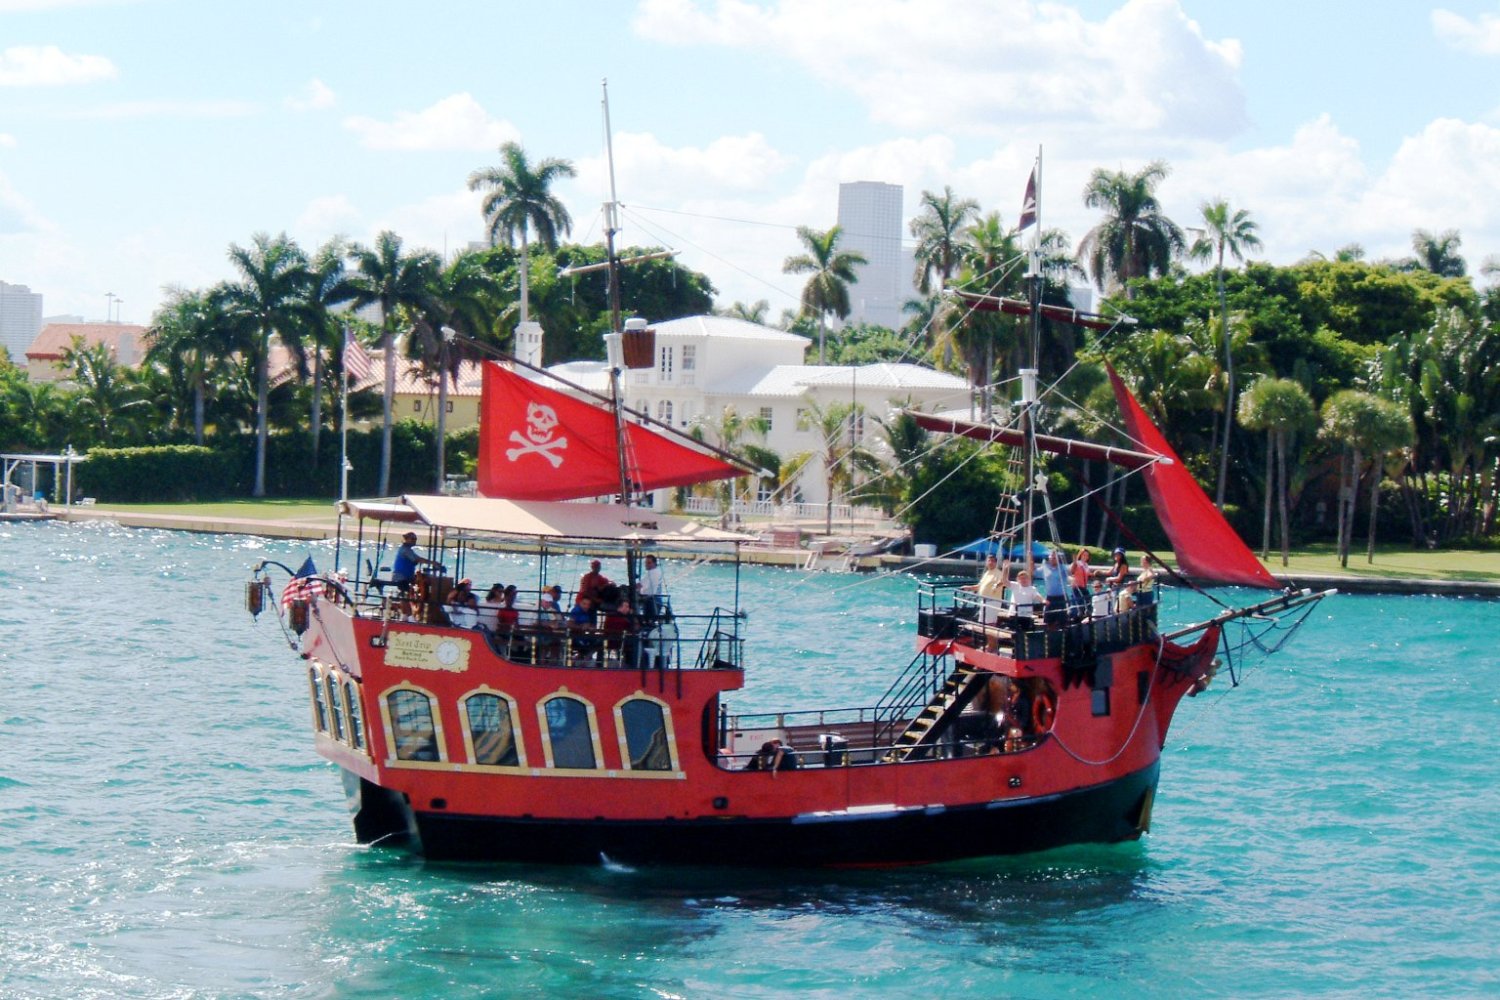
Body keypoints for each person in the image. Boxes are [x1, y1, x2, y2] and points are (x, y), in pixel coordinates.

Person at [1039, 549, 1069, 622]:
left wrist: (1072, 579)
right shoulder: (1044, 567)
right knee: (1048, 620)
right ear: (1049, 557)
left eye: (1055, 556)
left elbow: (1069, 574)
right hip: (1050, 597)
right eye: (1052, 556)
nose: (1053, 557)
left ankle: (1062, 631)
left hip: (1061, 597)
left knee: (1062, 620)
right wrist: (1030, 558)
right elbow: (1033, 572)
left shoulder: (1062, 567)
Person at [636, 554, 667, 622]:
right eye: (646, 563)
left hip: (651, 602)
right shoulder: (657, 571)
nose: (646, 565)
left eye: (649, 563)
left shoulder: (652, 573)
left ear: (654, 563)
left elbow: (639, 585)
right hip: (656, 601)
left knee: (647, 620)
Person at [1069, 548, 1092, 617]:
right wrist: (1074, 562)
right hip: (1077, 588)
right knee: (1078, 605)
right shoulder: (1077, 563)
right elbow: (1072, 571)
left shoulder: (1086, 565)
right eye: (1084, 555)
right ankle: (1075, 617)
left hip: (1084, 587)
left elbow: (1088, 575)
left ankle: (1086, 614)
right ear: (1080, 555)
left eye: (1087, 555)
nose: (1085, 557)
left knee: (1088, 602)